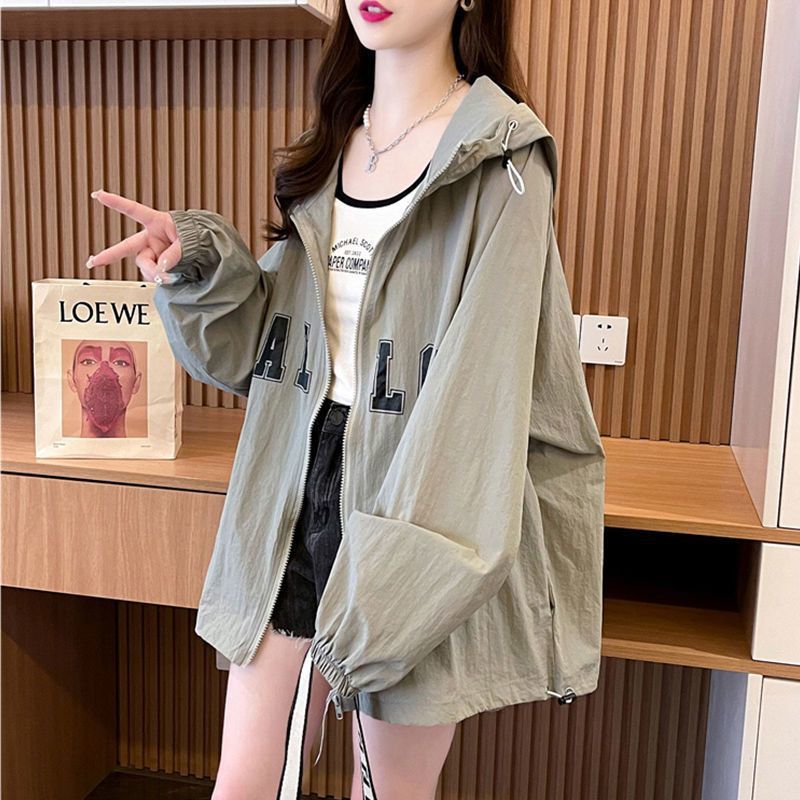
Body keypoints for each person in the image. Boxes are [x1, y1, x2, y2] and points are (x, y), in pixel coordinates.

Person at [85, 0, 606, 797]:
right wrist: (197, 260)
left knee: (386, 790)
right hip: (293, 478)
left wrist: (416, 562)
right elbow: (265, 350)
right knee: (245, 781)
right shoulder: (333, 144)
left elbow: (482, 387)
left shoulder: (503, 160)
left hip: (416, 487)